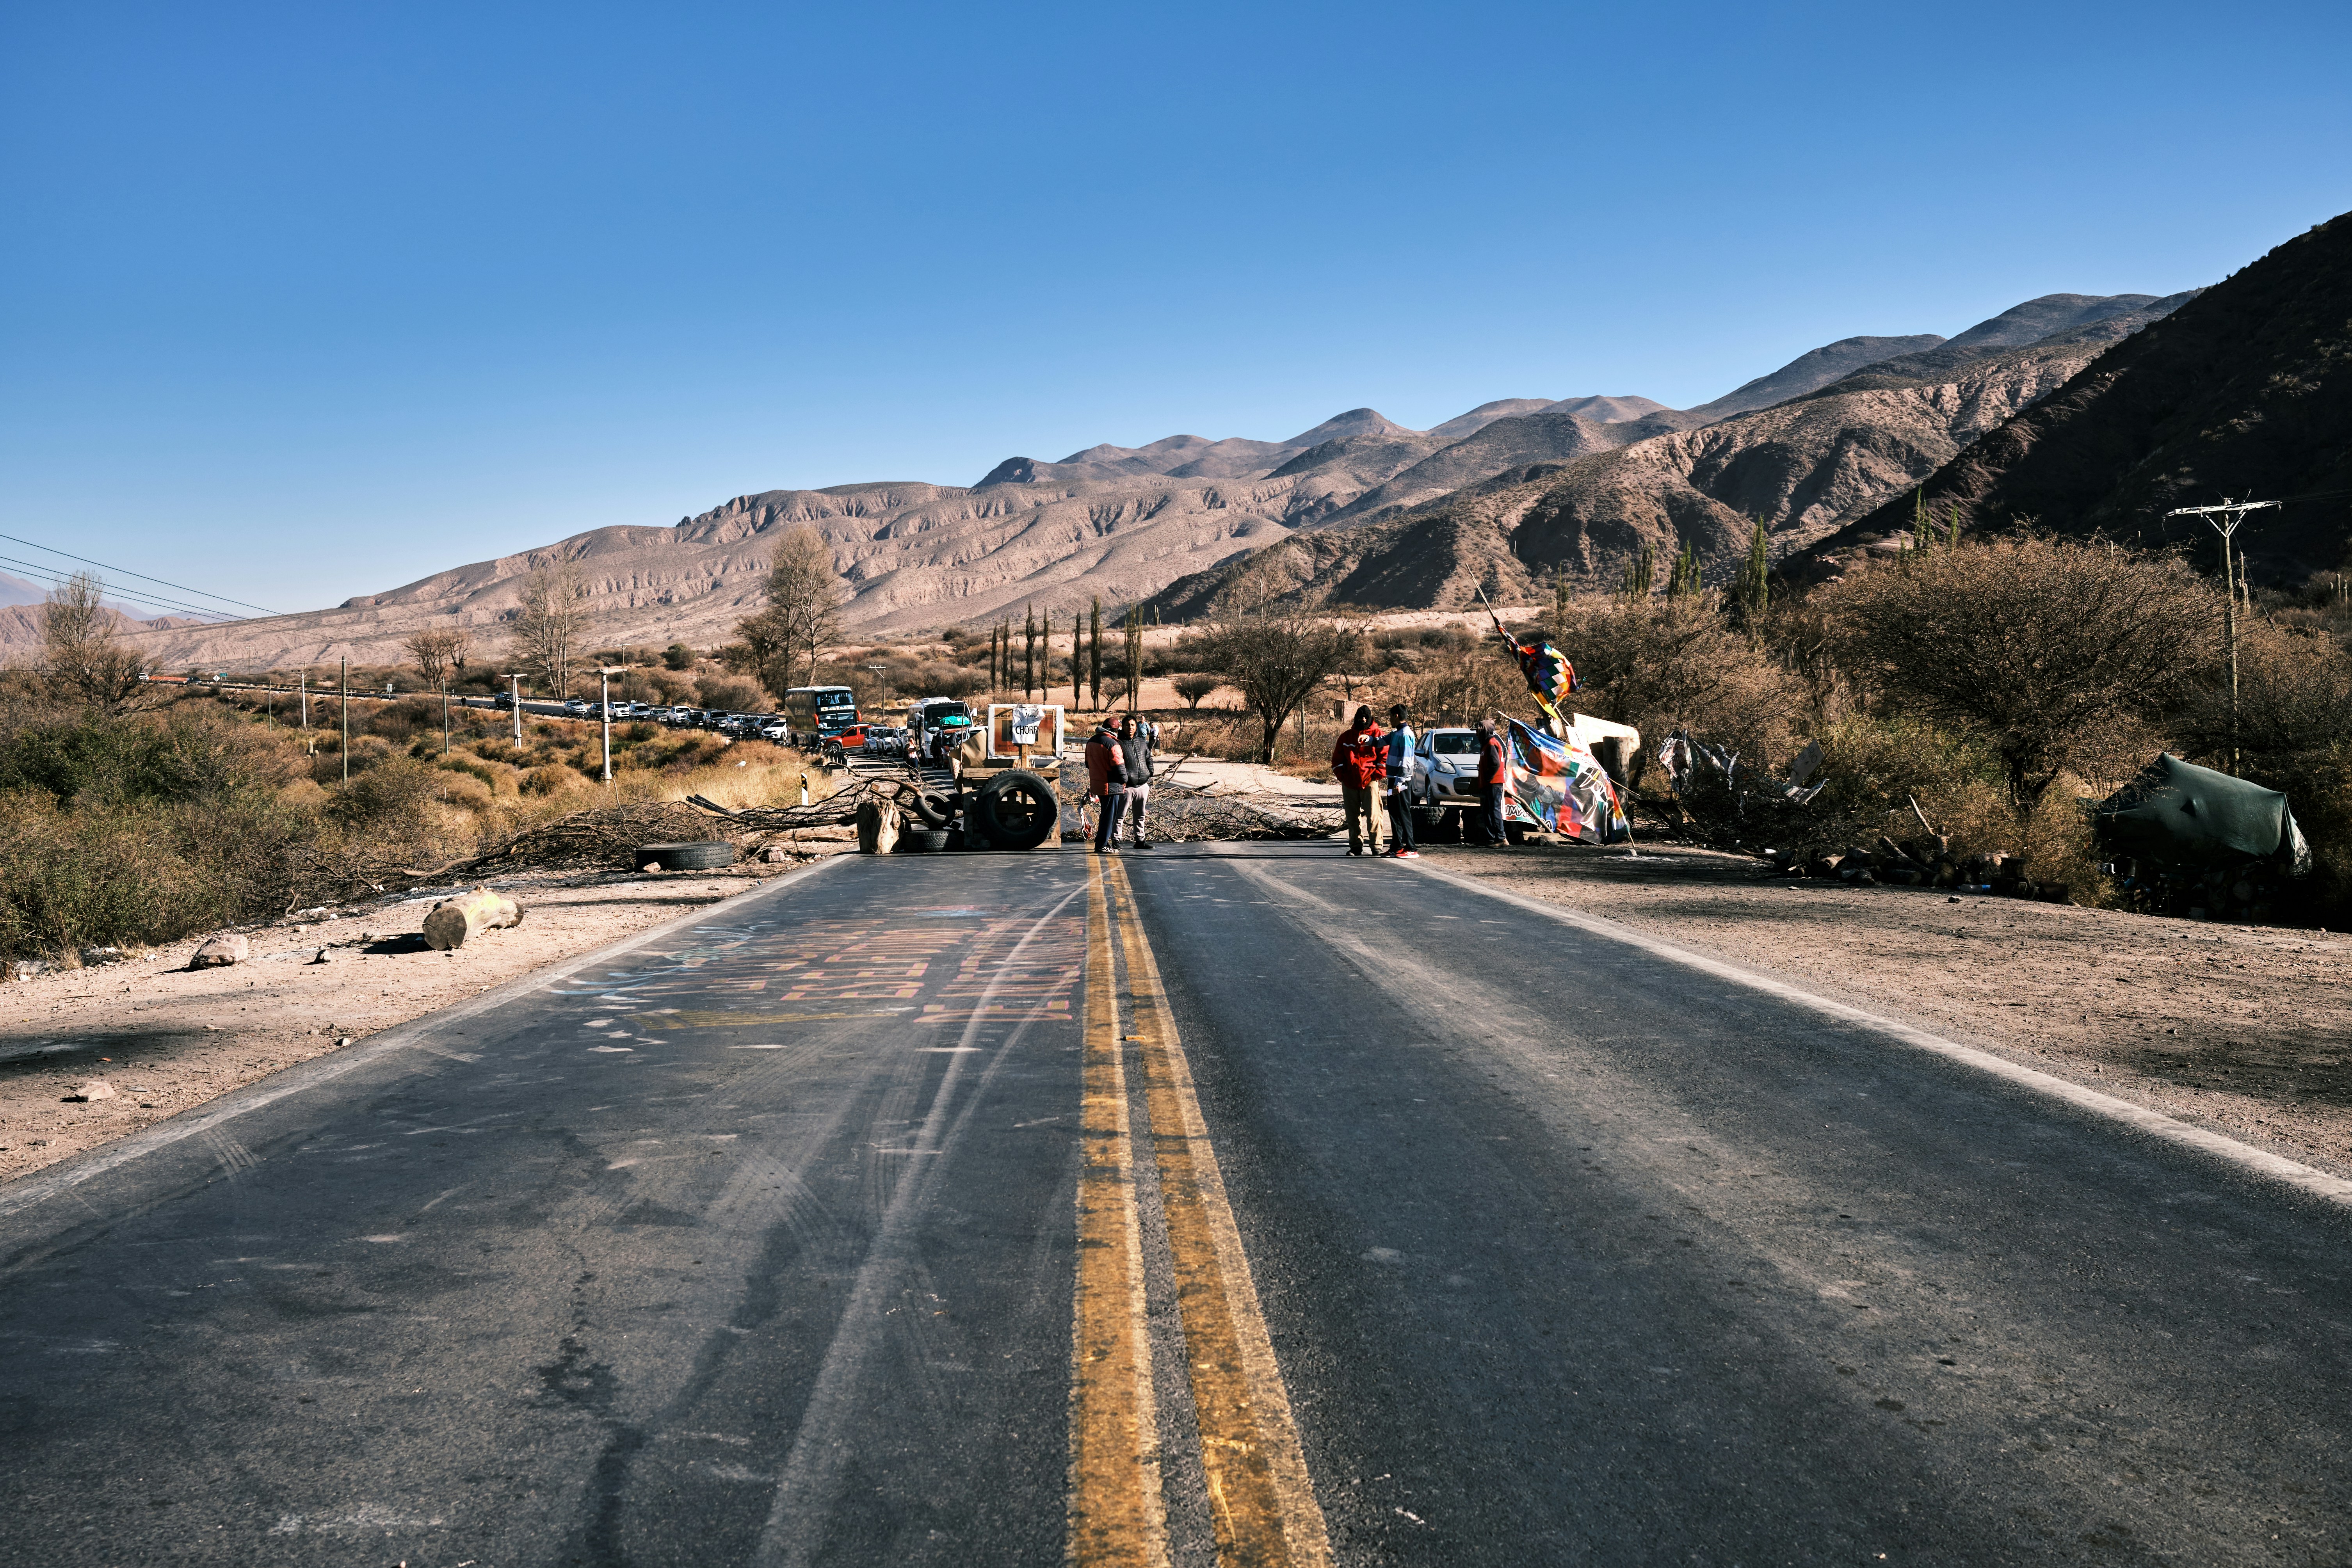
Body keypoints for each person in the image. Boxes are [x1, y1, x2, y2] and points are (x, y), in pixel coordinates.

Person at [1329, 704, 1387, 857]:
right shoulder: (1346, 737)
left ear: (1370, 718)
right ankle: (1356, 846)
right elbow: (1337, 761)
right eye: (1361, 717)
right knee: (1352, 817)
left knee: (1374, 815)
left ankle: (1376, 846)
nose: (1363, 720)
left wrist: (1376, 776)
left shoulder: (1379, 736)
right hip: (1350, 782)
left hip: (1370, 781)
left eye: (1366, 717)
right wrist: (1343, 777)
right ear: (1356, 718)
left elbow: (1384, 758)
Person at [1381, 702, 1419, 859]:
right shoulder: (1396, 733)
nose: (1390, 719)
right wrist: (1367, 739)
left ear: (1396, 716)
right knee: (1394, 814)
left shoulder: (1406, 735)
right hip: (1393, 781)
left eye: (1391, 716)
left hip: (1401, 783)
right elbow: (1381, 741)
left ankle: (1411, 848)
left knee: (1403, 814)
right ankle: (1396, 847)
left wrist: (1399, 782)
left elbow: (1407, 761)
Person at [1085, 718, 1128, 854]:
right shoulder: (1113, 744)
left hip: (1098, 784)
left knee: (1105, 815)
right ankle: (1102, 845)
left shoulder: (1091, 741)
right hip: (1111, 785)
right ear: (1115, 730)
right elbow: (1120, 768)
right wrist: (1125, 780)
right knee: (1109, 817)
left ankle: (1103, 842)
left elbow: (1087, 764)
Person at [1119, 713, 1156, 849]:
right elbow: (1118, 763)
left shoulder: (1141, 742)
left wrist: (1150, 772)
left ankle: (1140, 840)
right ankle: (1116, 840)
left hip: (1143, 785)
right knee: (1120, 815)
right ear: (1123, 727)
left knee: (1141, 814)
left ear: (1136, 727)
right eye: (1127, 725)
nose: (1130, 728)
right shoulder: (1119, 743)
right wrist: (1125, 778)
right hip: (1127, 786)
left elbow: (1148, 758)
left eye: (1133, 725)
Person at [1474, 715, 1511, 848]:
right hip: (1490, 783)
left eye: (1478, 731)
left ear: (1484, 730)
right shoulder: (1487, 743)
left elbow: (1495, 764)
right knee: (1487, 811)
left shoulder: (1491, 743)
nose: (1477, 733)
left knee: (1494, 811)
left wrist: (1489, 779)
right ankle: (1491, 838)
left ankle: (1501, 838)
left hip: (1494, 783)